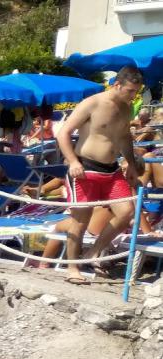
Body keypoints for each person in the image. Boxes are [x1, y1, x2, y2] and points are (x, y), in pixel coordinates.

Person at [56, 65, 146, 282]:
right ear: (117, 85)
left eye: (136, 92)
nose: (133, 96)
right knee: (80, 220)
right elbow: (63, 133)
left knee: (126, 211)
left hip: (111, 169)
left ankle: (92, 252)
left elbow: (124, 137)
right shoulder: (93, 103)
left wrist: (131, 164)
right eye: (130, 91)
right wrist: (73, 161)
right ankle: (72, 268)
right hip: (85, 167)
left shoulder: (126, 108)